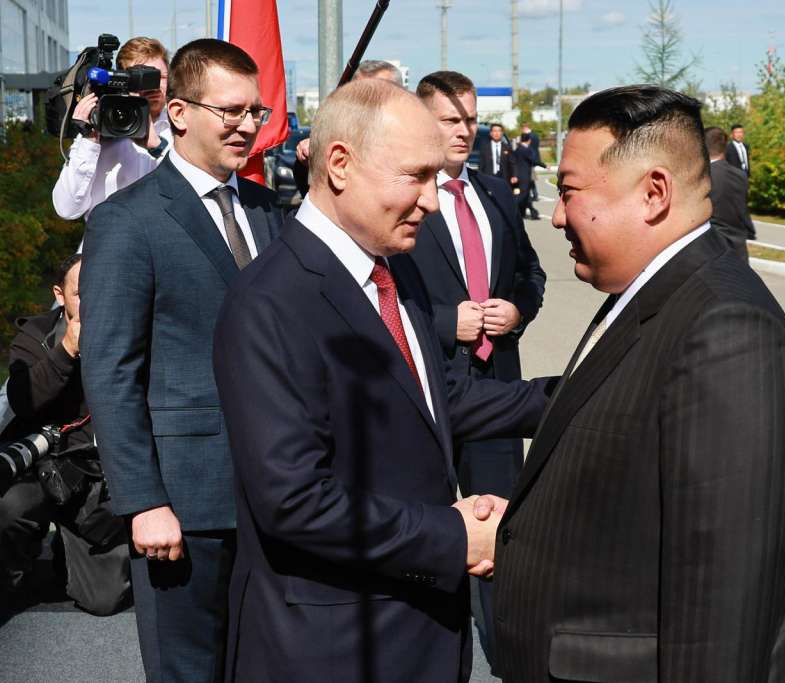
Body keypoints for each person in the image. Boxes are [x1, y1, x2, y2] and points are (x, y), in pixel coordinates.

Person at [489, 85, 785, 682]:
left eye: (569, 192)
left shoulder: (728, 329)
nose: (557, 215)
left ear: (653, 193)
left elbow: (722, 608)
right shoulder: (651, 290)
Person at [212, 78, 552, 683]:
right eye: (415, 177)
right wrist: (454, 537)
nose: (432, 201)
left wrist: (575, 397)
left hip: (418, 630)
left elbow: (435, 400)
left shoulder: (393, 271)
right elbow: (294, 502)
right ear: (340, 164)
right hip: (334, 648)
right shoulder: (270, 303)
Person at [79, 39, 284, 682]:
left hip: (277, 497)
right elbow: (110, 371)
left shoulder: (267, 211)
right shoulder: (126, 220)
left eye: (254, 111)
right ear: (178, 112)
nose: (247, 125)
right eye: (230, 111)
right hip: (183, 504)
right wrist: (142, 500)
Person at [412, 69, 546, 669]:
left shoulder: (493, 193)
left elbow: (531, 273)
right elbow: (378, 289)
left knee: (501, 535)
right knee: (431, 534)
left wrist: (516, 310)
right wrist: (446, 322)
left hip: (496, 392)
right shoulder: (405, 197)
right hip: (429, 395)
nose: (463, 130)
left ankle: (506, 658)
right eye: (450, 119)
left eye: (469, 118)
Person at [0, 254, 131, 616]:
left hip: (94, 476)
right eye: (81, 293)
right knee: (9, 507)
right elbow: (23, 400)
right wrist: (68, 350)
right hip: (43, 465)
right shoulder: (36, 335)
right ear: (59, 295)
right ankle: (13, 571)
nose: (93, 300)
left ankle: (68, 555)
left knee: (104, 599)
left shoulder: (132, 331)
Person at [52, 37, 173, 221]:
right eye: (143, 77)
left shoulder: (182, 127)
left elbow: (195, 195)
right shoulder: (99, 127)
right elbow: (66, 209)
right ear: (120, 81)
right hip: (108, 237)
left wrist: (158, 147)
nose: (153, 85)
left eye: (160, 77)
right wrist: (90, 140)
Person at [293, 59, 405, 197]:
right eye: (360, 93)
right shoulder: (338, 137)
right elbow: (315, 192)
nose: (369, 101)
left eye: (379, 92)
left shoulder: (416, 141)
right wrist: (311, 159)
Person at [705, 126, 756, 261]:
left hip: (711, 247)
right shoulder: (740, 175)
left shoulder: (703, 176)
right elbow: (741, 208)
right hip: (738, 247)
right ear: (725, 147)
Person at [512, 134, 544, 220]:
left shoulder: (517, 149)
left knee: (526, 196)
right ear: (529, 140)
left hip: (519, 175)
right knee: (523, 196)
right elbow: (534, 160)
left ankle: (529, 213)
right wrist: (544, 165)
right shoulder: (526, 150)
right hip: (524, 176)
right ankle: (512, 211)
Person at [520, 123, 542, 201]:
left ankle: (532, 195)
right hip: (534, 158)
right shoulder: (535, 135)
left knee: (529, 177)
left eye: (522, 129)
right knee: (530, 177)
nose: (522, 131)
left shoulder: (527, 136)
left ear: (525, 128)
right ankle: (534, 195)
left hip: (528, 158)